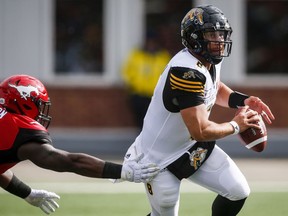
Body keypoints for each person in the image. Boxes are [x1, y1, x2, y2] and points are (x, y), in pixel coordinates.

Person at [123, 5, 275, 216]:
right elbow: (200, 130)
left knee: (238, 190)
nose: (219, 40)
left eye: (221, 34)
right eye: (212, 34)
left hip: (191, 146)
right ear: (194, 38)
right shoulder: (186, 72)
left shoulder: (208, 58)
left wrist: (244, 100)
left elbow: (215, 88)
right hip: (160, 158)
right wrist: (235, 125)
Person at [0, 74, 159, 214]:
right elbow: (68, 161)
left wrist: (26, 192)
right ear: (25, 103)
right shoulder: (17, 128)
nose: (41, 111)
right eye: (39, 105)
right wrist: (122, 171)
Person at [121, 30, 171, 128]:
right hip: (138, 95)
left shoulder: (163, 57)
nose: (151, 44)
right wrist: (132, 86)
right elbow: (127, 72)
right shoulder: (136, 55)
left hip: (156, 97)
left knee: (155, 124)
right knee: (140, 123)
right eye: (149, 42)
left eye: (153, 42)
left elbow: (169, 75)